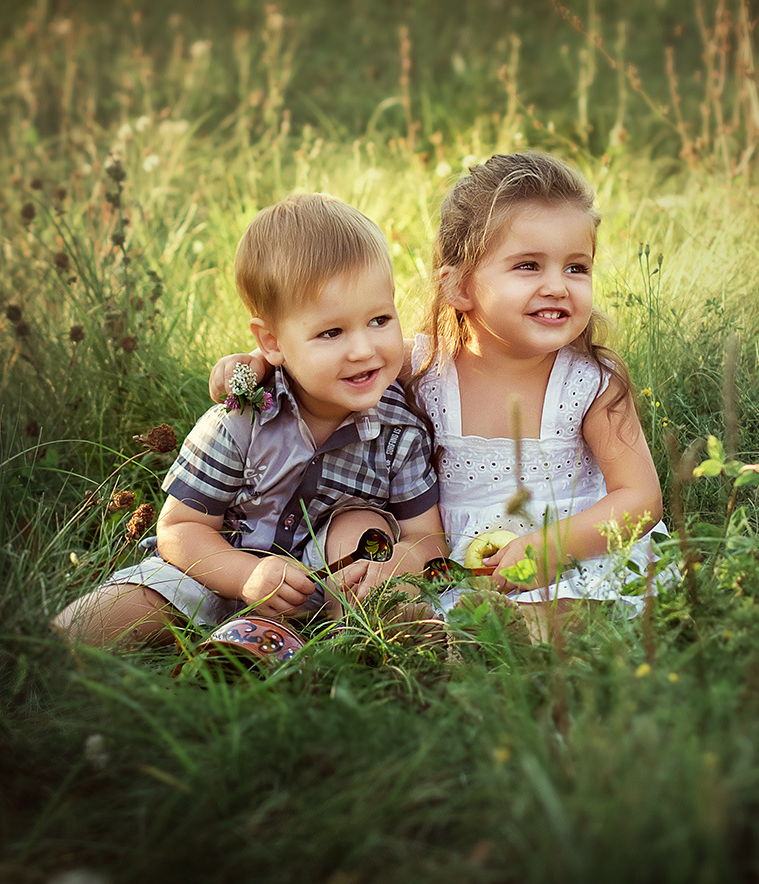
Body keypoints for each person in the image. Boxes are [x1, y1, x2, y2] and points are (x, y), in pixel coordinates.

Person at [210, 153, 668, 635]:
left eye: (576, 268)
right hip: (450, 562)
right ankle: (463, 639)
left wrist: (554, 547)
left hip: (575, 555)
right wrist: (257, 363)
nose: (557, 286)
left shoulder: (591, 383)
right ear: (458, 286)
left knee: (579, 613)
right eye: (529, 265)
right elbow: (332, 361)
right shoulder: (424, 365)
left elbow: (639, 497)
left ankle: (510, 634)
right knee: (418, 610)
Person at [55, 193, 448, 647]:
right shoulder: (243, 416)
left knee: (361, 526)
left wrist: (399, 562)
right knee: (87, 629)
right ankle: (39, 657)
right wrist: (246, 577)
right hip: (216, 569)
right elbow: (180, 529)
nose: (363, 349)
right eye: (331, 332)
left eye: (380, 319)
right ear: (272, 342)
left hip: (330, 589)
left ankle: (359, 643)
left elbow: (426, 537)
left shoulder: (399, 431)